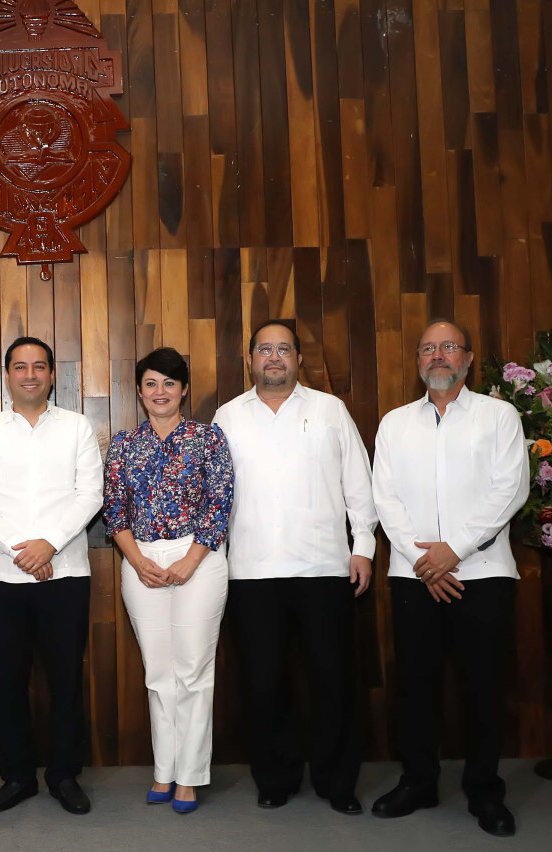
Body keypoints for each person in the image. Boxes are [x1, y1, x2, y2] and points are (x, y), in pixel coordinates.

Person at [212, 319, 378, 815]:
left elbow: (358, 482)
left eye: (283, 349)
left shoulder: (330, 411)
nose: (274, 358)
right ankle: (275, 777)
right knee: (264, 683)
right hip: (251, 571)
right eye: (265, 349)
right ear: (250, 359)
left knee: (333, 679)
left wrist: (364, 543)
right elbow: (215, 497)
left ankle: (336, 780)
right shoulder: (226, 417)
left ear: (298, 359)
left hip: (325, 567)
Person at [370, 320, 529, 837]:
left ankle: (485, 792)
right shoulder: (395, 423)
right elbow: (384, 498)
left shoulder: (499, 416)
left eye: (449, 347)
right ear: (418, 360)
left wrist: (453, 550)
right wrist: (425, 562)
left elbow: (509, 490)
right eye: (428, 348)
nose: (438, 355)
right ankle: (418, 781)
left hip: (482, 573)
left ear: (468, 358)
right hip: (413, 575)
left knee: (483, 687)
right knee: (415, 687)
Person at [0, 336, 103, 815]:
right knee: (8, 681)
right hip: (2, 577)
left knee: (66, 680)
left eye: (39, 366)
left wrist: (49, 544)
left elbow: (90, 495)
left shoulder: (78, 428)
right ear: (7, 374)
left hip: (65, 573)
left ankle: (64, 775)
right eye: (20, 367)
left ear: (50, 374)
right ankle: (18, 777)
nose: (29, 375)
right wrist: (20, 549)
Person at [103, 347, 233, 814]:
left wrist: (191, 559)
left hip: (198, 558)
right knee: (158, 673)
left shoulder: (209, 438)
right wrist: (137, 561)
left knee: (194, 671)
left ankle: (190, 778)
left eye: (170, 384)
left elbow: (219, 504)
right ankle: (165, 770)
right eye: (151, 384)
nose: (161, 392)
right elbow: (114, 511)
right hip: (142, 561)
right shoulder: (123, 444)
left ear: (184, 390)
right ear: (139, 392)